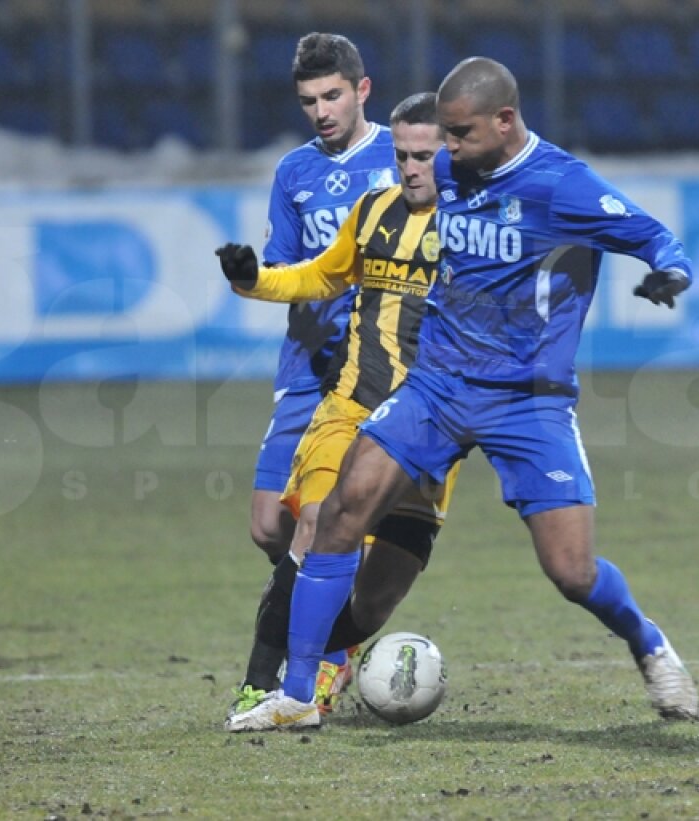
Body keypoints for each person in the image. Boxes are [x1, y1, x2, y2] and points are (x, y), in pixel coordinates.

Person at [228, 56, 699, 730]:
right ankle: (297, 694)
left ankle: (647, 641)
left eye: (458, 134)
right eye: (440, 137)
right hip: (437, 387)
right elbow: (353, 250)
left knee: (571, 571)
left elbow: (656, 237)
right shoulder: (447, 172)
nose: (445, 150)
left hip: (526, 399)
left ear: (504, 121)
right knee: (338, 512)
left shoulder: (560, 185)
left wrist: (669, 273)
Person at [216, 92, 456, 731]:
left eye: (424, 156)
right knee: (317, 523)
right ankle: (263, 687)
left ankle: (325, 661)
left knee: (376, 600)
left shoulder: (478, 230)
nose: (410, 168)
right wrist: (254, 281)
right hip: (351, 404)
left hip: (430, 425)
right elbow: (322, 275)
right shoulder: (373, 210)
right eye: (402, 155)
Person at [241, 32, 397, 692]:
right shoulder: (294, 172)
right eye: (309, 101)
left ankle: (318, 655)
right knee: (267, 525)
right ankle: (333, 613)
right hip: (307, 363)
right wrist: (259, 276)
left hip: (377, 367)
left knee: (323, 516)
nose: (321, 111)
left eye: (332, 96)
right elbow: (286, 270)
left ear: (362, 90)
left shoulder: (401, 157)